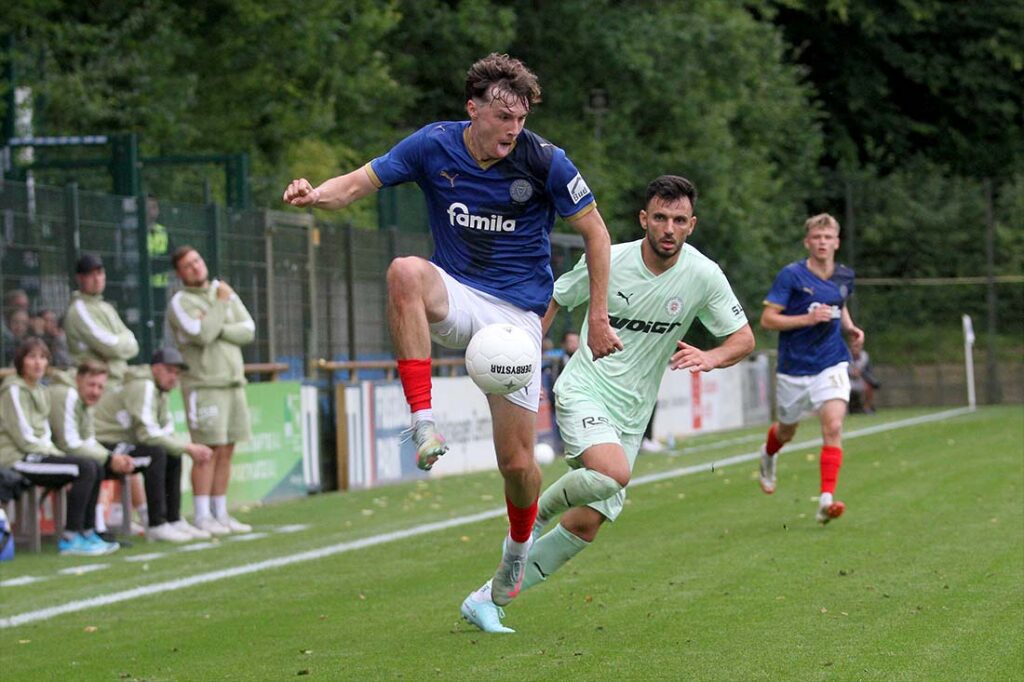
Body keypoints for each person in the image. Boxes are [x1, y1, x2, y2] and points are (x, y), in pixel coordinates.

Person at [283, 53, 621, 607]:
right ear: (473, 109)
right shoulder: (432, 145)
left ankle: (516, 551)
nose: (514, 129)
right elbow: (356, 184)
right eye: (503, 117)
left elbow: (598, 235)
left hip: (516, 320)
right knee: (404, 271)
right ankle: (422, 424)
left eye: (522, 118)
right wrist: (315, 194)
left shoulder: (547, 162)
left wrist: (599, 316)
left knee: (517, 466)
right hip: (457, 294)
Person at [461, 174, 755, 633]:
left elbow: (743, 338)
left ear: (692, 225)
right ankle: (533, 517)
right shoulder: (609, 260)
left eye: (679, 220)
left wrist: (711, 356)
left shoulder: (702, 275)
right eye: (660, 217)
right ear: (644, 218)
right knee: (613, 473)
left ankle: (489, 597)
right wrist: (525, 356)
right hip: (585, 389)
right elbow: (555, 297)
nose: (668, 228)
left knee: (585, 526)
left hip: (633, 415)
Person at [756, 213, 864, 524]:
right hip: (794, 367)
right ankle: (768, 453)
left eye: (827, 238)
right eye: (816, 238)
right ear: (807, 242)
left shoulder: (845, 276)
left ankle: (826, 499)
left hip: (830, 361)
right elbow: (768, 320)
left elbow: (839, 306)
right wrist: (806, 319)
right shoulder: (791, 276)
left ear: (836, 242)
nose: (822, 243)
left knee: (833, 426)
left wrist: (852, 329)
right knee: (787, 430)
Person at [0, 338, 119, 555]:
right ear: (21, 361)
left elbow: (44, 433)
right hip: (16, 458)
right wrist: (55, 454)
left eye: (43, 358)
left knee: (95, 466)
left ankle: (87, 531)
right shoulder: (13, 390)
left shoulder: (40, 390)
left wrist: (54, 453)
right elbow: (24, 437)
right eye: (32, 357)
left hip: (36, 455)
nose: (38, 363)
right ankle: (70, 538)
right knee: (83, 468)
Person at [167, 245, 255, 535]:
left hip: (233, 381)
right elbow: (202, 334)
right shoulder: (181, 301)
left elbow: (248, 329)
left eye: (197, 260)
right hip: (204, 385)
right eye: (187, 266)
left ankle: (221, 512)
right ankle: (202, 515)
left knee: (228, 449)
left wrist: (219, 326)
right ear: (180, 274)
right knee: (207, 451)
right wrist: (220, 307)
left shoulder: (222, 290)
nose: (195, 267)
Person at [94, 348, 214, 543]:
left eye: (177, 373)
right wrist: (189, 448)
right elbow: (147, 434)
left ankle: (173, 519)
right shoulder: (144, 386)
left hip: (123, 443)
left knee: (172, 452)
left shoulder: (161, 391)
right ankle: (157, 524)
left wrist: (183, 447)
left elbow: (166, 432)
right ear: (156, 369)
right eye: (170, 371)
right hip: (103, 443)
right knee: (156, 453)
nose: (174, 377)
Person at [48, 359, 153, 541]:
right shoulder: (66, 394)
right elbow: (68, 443)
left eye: (100, 387)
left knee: (96, 464)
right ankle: (72, 535)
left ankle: (91, 531)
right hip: (36, 455)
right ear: (78, 379)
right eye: (91, 385)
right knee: (89, 467)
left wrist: (112, 457)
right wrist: (109, 458)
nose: (95, 391)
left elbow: (88, 440)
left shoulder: (83, 401)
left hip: (57, 454)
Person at [62, 254, 140, 386]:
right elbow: (110, 346)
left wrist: (122, 344)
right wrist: (124, 344)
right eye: (90, 275)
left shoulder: (106, 307)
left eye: (99, 273)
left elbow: (134, 345)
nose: (97, 279)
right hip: (98, 385)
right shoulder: (78, 311)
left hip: (119, 380)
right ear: (80, 278)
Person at [848, 337, 879, 413]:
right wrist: (850, 373)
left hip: (860, 380)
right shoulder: (845, 355)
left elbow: (869, 372)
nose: (855, 348)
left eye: (857, 346)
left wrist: (861, 373)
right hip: (847, 380)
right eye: (853, 346)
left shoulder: (865, 356)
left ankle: (867, 407)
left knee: (869, 386)